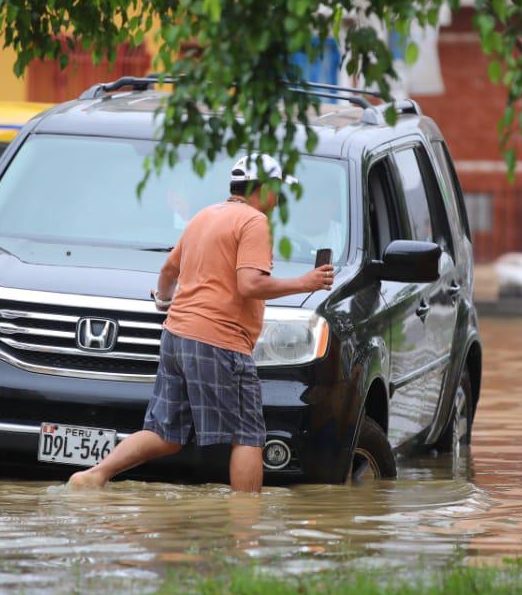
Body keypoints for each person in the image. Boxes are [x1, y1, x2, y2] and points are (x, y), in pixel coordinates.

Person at [68, 154, 334, 493]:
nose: (278, 198)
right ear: (264, 188)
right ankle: (245, 529)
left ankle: (95, 475)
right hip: (220, 340)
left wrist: (164, 302)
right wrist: (306, 282)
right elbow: (249, 285)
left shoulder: (203, 216)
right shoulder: (254, 221)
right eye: (278, 188)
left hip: (176, 335)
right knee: (248, 435)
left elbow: (167, 272)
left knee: (165, 433)